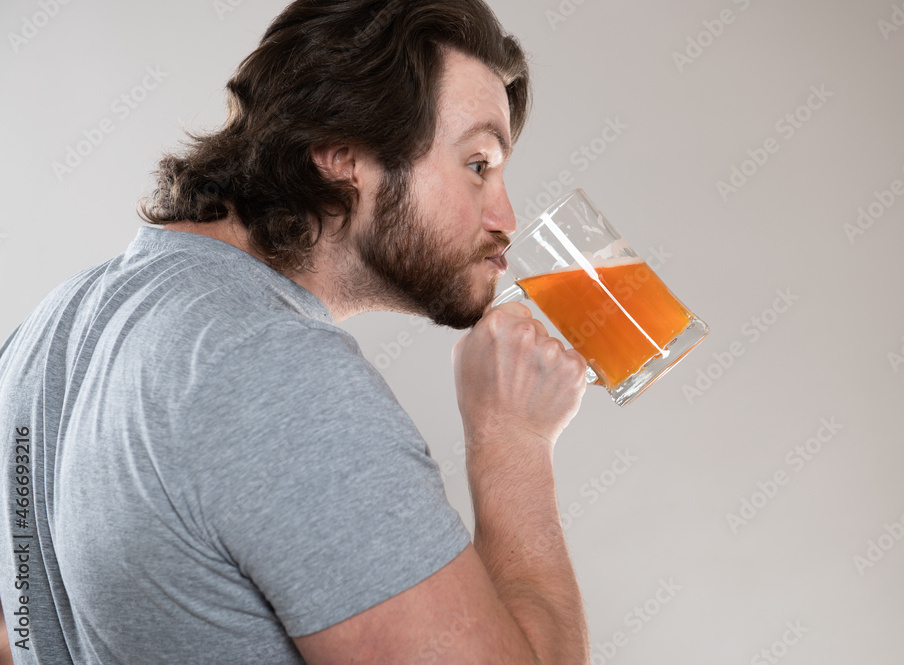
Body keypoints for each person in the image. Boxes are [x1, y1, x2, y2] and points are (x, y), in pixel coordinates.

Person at [0, 0, 591, 663]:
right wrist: (511, 442)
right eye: (478, 164)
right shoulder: (269, 369)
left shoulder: (44, 333)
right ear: (341, 154)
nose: (506, 216)